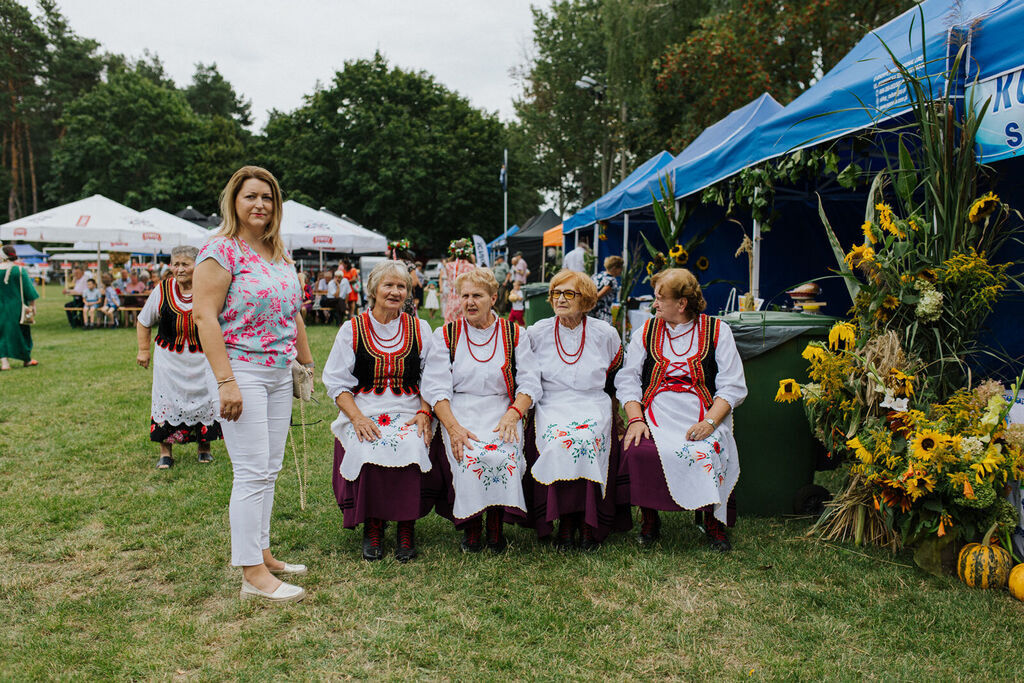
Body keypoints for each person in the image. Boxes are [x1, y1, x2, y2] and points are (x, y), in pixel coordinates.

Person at [193, 165, 313, 603]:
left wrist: (306, 362)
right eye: (251, 196)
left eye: (267, 197)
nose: (260, 204)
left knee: (271, 467)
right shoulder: (219, 251)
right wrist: (225, 381)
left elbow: (293, 311)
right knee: (250, 472)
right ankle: (251, 574)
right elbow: (204, 315)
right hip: (239, 369)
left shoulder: (278, 252)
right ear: (234, 201)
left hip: (279, 372)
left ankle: (263, 552)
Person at [615, 268, 747, 551]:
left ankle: (713, 522)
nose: (654, 305)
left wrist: (710, 423)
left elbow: (733, 387)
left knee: (708, 450)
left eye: (660, 299)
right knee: (640, 448)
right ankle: (650, 519)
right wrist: (636, 419)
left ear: (682, 303)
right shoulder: (647, 330)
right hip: (657, 413)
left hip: (701, 414)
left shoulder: (716, 330)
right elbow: (628, 379)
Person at [322, 261, 436, 563]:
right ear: (373, 290)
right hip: (365, 408)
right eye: (388, 285)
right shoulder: (352, 329)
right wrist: (356, 418)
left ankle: (405, 526)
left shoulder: (420, 328)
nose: (395, 292)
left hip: (410, 408)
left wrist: (426, 412)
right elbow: (335, 381)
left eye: (401, 287)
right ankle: (373, 525)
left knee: (412, 442)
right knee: (366, 441)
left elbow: (432, 377)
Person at [422, 268, 541, 553]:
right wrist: (452, 427)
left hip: (502, 409)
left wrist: (513, 414)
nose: (470, 302)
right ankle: (472, 525)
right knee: (468, 454)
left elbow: (530, 381)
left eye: (477, 295)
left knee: (504, 452)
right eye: (465, 296)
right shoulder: (446, 334)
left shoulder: (515, 334)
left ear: (494, 298)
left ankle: (496, 522)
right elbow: (435, 386)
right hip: (459, 408)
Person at [524, 270, 630, 549]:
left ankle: (586, 521)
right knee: (559, 440)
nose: (560, 299)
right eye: (556, 293)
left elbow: (617, 375)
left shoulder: (605, 333)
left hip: (592, 402)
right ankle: (565, 521)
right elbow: (525, 375)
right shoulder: (536, 332)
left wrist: (616, 413)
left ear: (586, 300)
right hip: (551, 403)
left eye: (568, 293)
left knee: (586, 439)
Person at [137, 245, 222, 469]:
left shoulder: (208, 290)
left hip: (202, 359)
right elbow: (144, 320)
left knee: (205, 401)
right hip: (169, 361)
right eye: (175, 264)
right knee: (166, 402)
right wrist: (143, 350)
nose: (179, 269)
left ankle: (204, 448)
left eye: (185, 264)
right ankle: (166, 452)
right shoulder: (163, 289)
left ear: (198, 266)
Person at [0, 244, 39, 371]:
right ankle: (26, 360)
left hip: (1, 307)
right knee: (21, 333)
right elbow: (29, 290)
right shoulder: (19, 270)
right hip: (17, 307)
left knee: (2, 334)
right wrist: (33, 306)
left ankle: (4, 363)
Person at [441, 242, 476, 324]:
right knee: (466, 323)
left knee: (450, 323)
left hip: (452, 297)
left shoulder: (448, 265)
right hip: (466, 297)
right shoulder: (471, 266)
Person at [591, 255, 624, 324]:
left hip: (591, 311)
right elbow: (598, 296)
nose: (622, 270)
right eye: (621, 267)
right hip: (602, 314)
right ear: (615, 268)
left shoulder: (597, 275)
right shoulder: (611, 281)